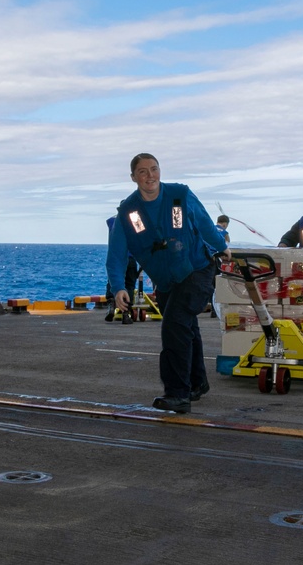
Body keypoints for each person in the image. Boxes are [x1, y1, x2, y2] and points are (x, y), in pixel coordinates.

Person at [107, 153, 231, 414]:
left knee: (174, 325)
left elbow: (205, 223)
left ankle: (177, 394)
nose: (150, 175)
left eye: (154, 169)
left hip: (197, 270)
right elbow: (116, 253)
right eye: (142, 171)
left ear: (160, 171)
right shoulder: (128, 212)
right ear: (133, 177)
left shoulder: (179, 195)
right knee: (185, 326)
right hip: (166, 282)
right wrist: (119, 287)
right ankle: (197, 383)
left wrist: (221, 247)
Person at [104, 214, 139, 324]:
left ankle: (111, 305)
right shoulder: (136, 222)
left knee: (113, 281)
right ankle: (125, 314)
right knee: (129, 285)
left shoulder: (112, 221)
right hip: (131, 257)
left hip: (117, 258)